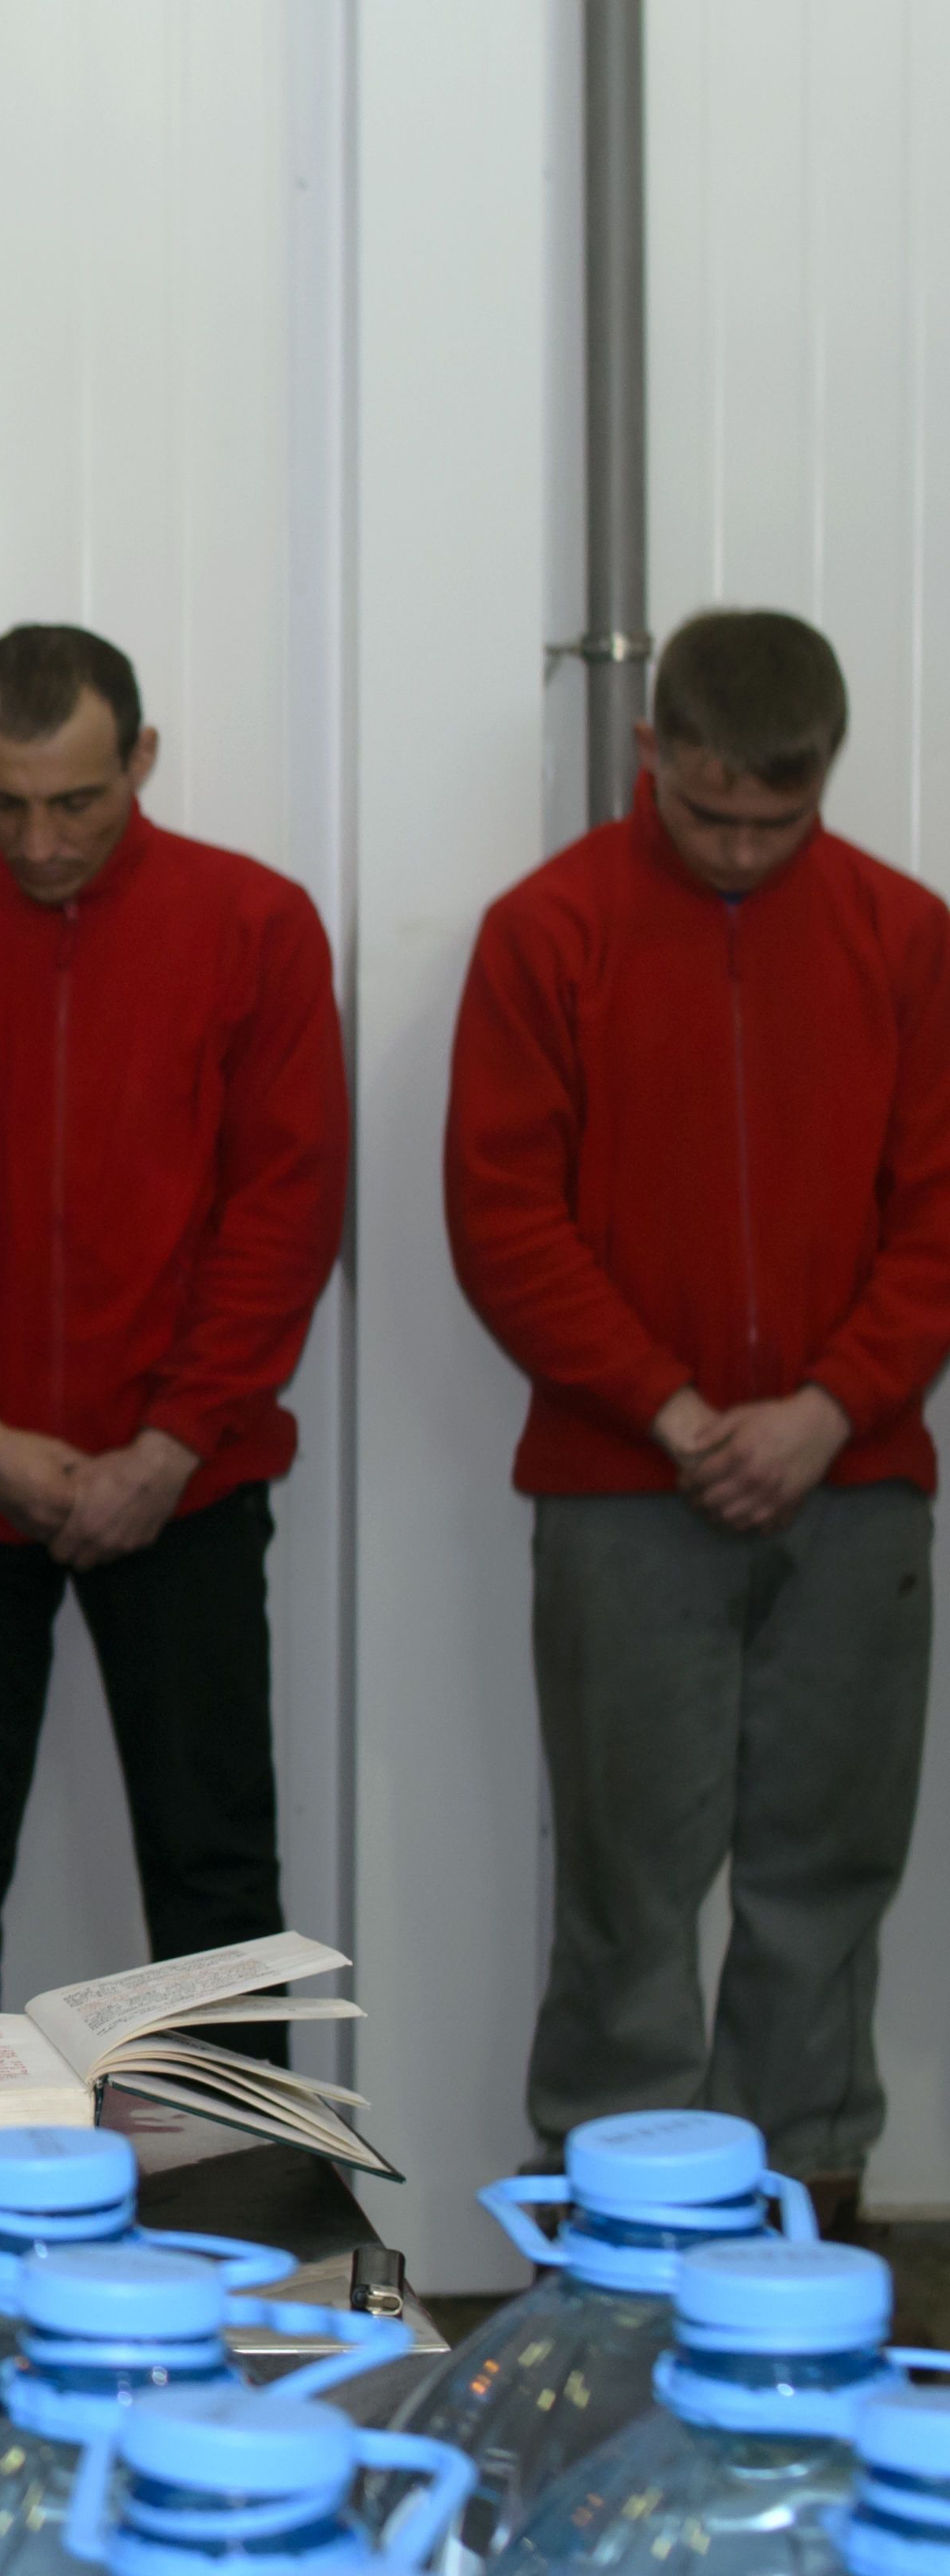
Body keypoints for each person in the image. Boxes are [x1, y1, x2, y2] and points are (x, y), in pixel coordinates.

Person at [447, 608, 950, 2216]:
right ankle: (614, 2257)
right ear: (648, 753)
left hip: (852, 1486)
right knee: (627, 1891)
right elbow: (503, 1217)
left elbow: (938, 1214)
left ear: (826, 783)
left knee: (826, 1881)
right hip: (619, 1491)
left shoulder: (902, 935)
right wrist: (670, 1412)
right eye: (709, 811)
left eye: (776, 823)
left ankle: (806, 2223)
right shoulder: (547, 933)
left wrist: (827, 1408)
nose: (740, 850)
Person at [0, 625, 346, 2028]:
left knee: (214, 1875)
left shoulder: (256, 927)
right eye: (1, 802)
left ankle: (233, 2217)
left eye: (73, 802)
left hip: (190, 1482)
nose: (36, 840)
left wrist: (166, 1442)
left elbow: (283, 1211)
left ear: (141, 760)